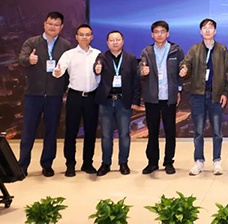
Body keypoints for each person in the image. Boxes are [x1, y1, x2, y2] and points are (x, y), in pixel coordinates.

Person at [17, 12, 71, 177]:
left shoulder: (66, 45)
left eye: (56, 24)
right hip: (33, 95)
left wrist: (63, 89)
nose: (52, 27)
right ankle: (22, 166)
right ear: (44, 24)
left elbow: (69, 70)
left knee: (51, 131)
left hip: (54, 95)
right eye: (50, 23)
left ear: (61, 27)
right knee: (28, 132)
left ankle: (47, 165)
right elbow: (21, 58)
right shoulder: (31, 42)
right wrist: (29, 60)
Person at [180, 18, 228, 176]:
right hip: (198, 95)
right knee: (198, 131)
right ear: (200, 31)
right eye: (204, 28)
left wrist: (225, 93)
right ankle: (199, 161)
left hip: (215, 95)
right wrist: (184, 69)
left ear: (215, 31)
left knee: (217, 131)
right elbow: (186, 63)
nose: (207, 30)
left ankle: (217, 161)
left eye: (210, 27)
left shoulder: (222, 49)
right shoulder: (195, 49)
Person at [52, 24, 101, 177]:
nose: (84, 37)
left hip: (92, 97)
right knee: (71, 132)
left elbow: (102, 75)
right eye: (81, 34)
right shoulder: (69, 54)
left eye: (87, 34)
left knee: (91, 132)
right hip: (75, 96)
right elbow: (59, 71)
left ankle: (88, 163)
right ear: (76, 37)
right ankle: (70, 164)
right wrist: (57, 72)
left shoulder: (98, 54)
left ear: (91, 37)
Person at [139, 21, 185, 175]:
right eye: (156, 32)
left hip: (169, 96)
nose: (159, 35)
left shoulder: (176, 50)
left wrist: (178, 90)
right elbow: (140, 68)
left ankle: (169, 162)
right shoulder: (147, 51)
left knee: (170, 131)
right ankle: (152, 162)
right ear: (152, 35)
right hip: (152, 97)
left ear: (167, 34)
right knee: (152, 131)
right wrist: (142, 71)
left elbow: (182, 69)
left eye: (162, 31)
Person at [94, 30, 141, 176]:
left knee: (124, 134)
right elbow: (96, 69)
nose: (115, 42)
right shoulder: (102, 57)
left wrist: (135, 101)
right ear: (107, 43)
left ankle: (123, 163)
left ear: (123, 41)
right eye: (112, 40)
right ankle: (105, 163)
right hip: (106, 102)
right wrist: (96, 70)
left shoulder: (131, 58)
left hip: (123, 101)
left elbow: (136, 81)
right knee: (106, 135)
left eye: (118, 39)